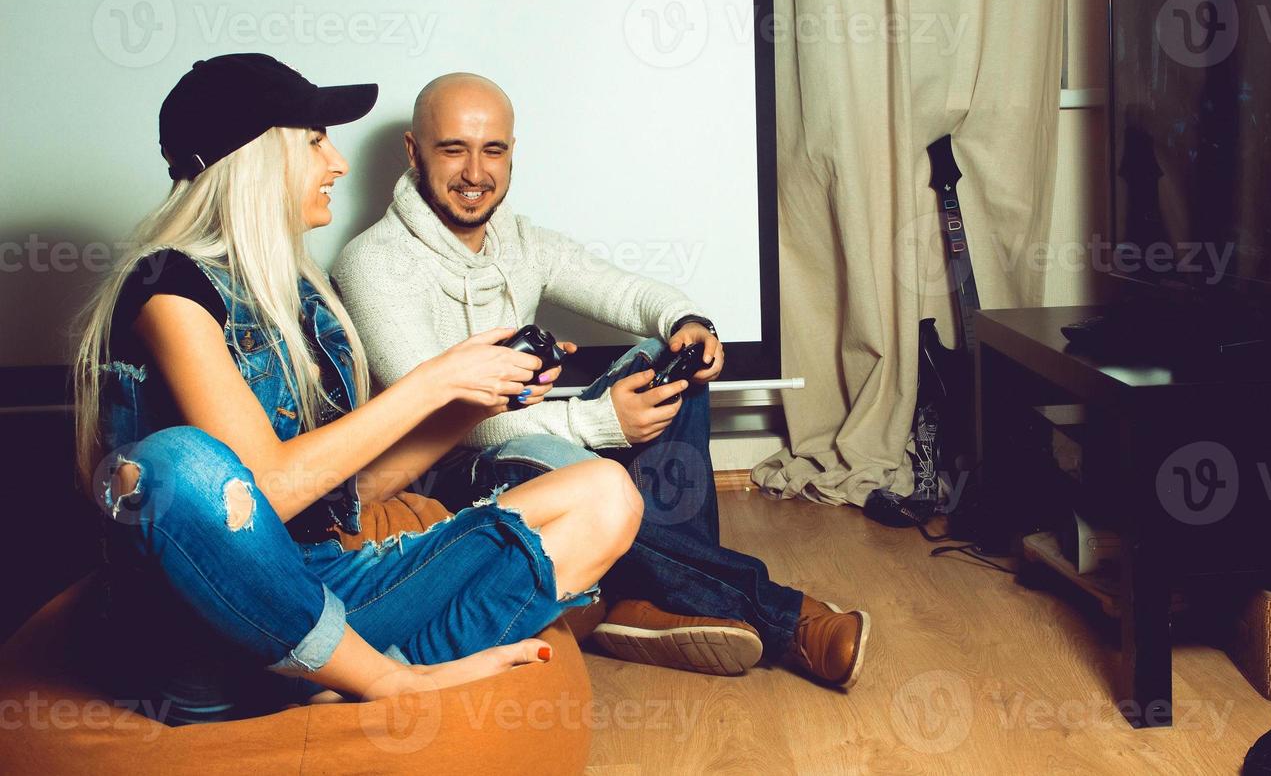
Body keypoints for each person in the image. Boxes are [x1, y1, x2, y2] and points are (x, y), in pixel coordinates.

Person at [72, 54, 641, 724]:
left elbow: (348, 494)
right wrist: (435, 381)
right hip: (203, 627)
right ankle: (384, 681)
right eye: (315, 141)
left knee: (605, 494)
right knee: (180, 465)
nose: (337, 163)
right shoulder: (165, 290)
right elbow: (263, 486)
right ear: (255, 158)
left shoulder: (299, 294)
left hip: (320, 590)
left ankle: (355, 679)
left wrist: (472, 401)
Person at [333, 73, 871, 687]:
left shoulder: (518, 239)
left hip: (518, 434)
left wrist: (686, 322)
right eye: (453, 149)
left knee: (664, 356)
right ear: (413, 152)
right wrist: (596, 422)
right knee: (542, 457)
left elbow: (623, 290)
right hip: (441, 469)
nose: (475, 173)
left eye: (494, 150)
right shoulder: (373, 263)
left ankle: (644, 603)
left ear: (513, 153)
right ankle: (786, 620)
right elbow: (441, 423)